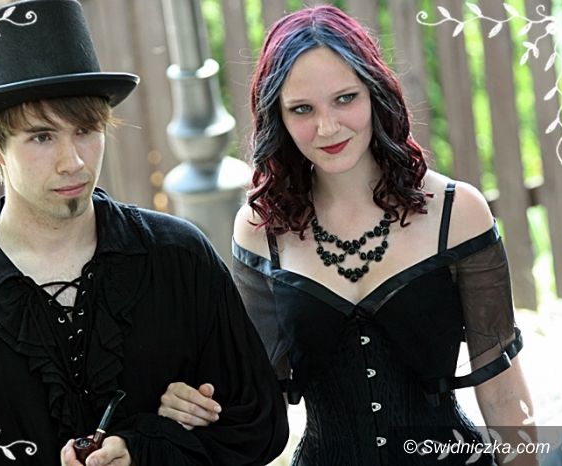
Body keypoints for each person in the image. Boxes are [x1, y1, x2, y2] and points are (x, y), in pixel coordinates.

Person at [0, 0, 288, 465]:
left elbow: (260, 424)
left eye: (86, 130)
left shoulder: (179, 257)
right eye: (42, 137)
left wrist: (150, 445)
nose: (72, 161)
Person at [158, 5, 536, 465]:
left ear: (375, 93)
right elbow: (251, 399)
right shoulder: (261, 230)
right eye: (302, 109)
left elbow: (503, 392)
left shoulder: (457, 212)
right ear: (278, 116)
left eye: (345, 98)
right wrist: (184, 403)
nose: (328, 127)